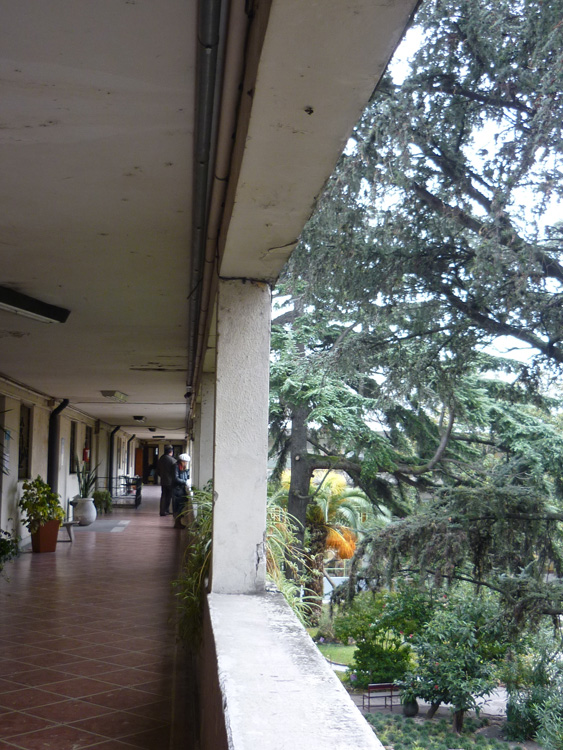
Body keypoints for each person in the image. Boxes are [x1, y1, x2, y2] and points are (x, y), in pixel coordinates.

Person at [172, 453, 190, 528]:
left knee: (181, 505)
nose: (186, 463)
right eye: (185, 462)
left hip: (181, 489)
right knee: (178, 505)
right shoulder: (176, 467)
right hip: (177, 489)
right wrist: (185, 482)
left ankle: (178, 522)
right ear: (182, 461)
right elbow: (175, 478)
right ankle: (177, 522)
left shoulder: (182, 467)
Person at [157, 445, 176, 516]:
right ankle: (166, 510)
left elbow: (158, 471)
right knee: (169, 496)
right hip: (170, 481)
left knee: (163, 495)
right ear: (171, 452)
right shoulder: (172, 460)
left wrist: (162, 476)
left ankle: (162, 511)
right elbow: (175, 472)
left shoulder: (161, 459)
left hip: (163, 480)